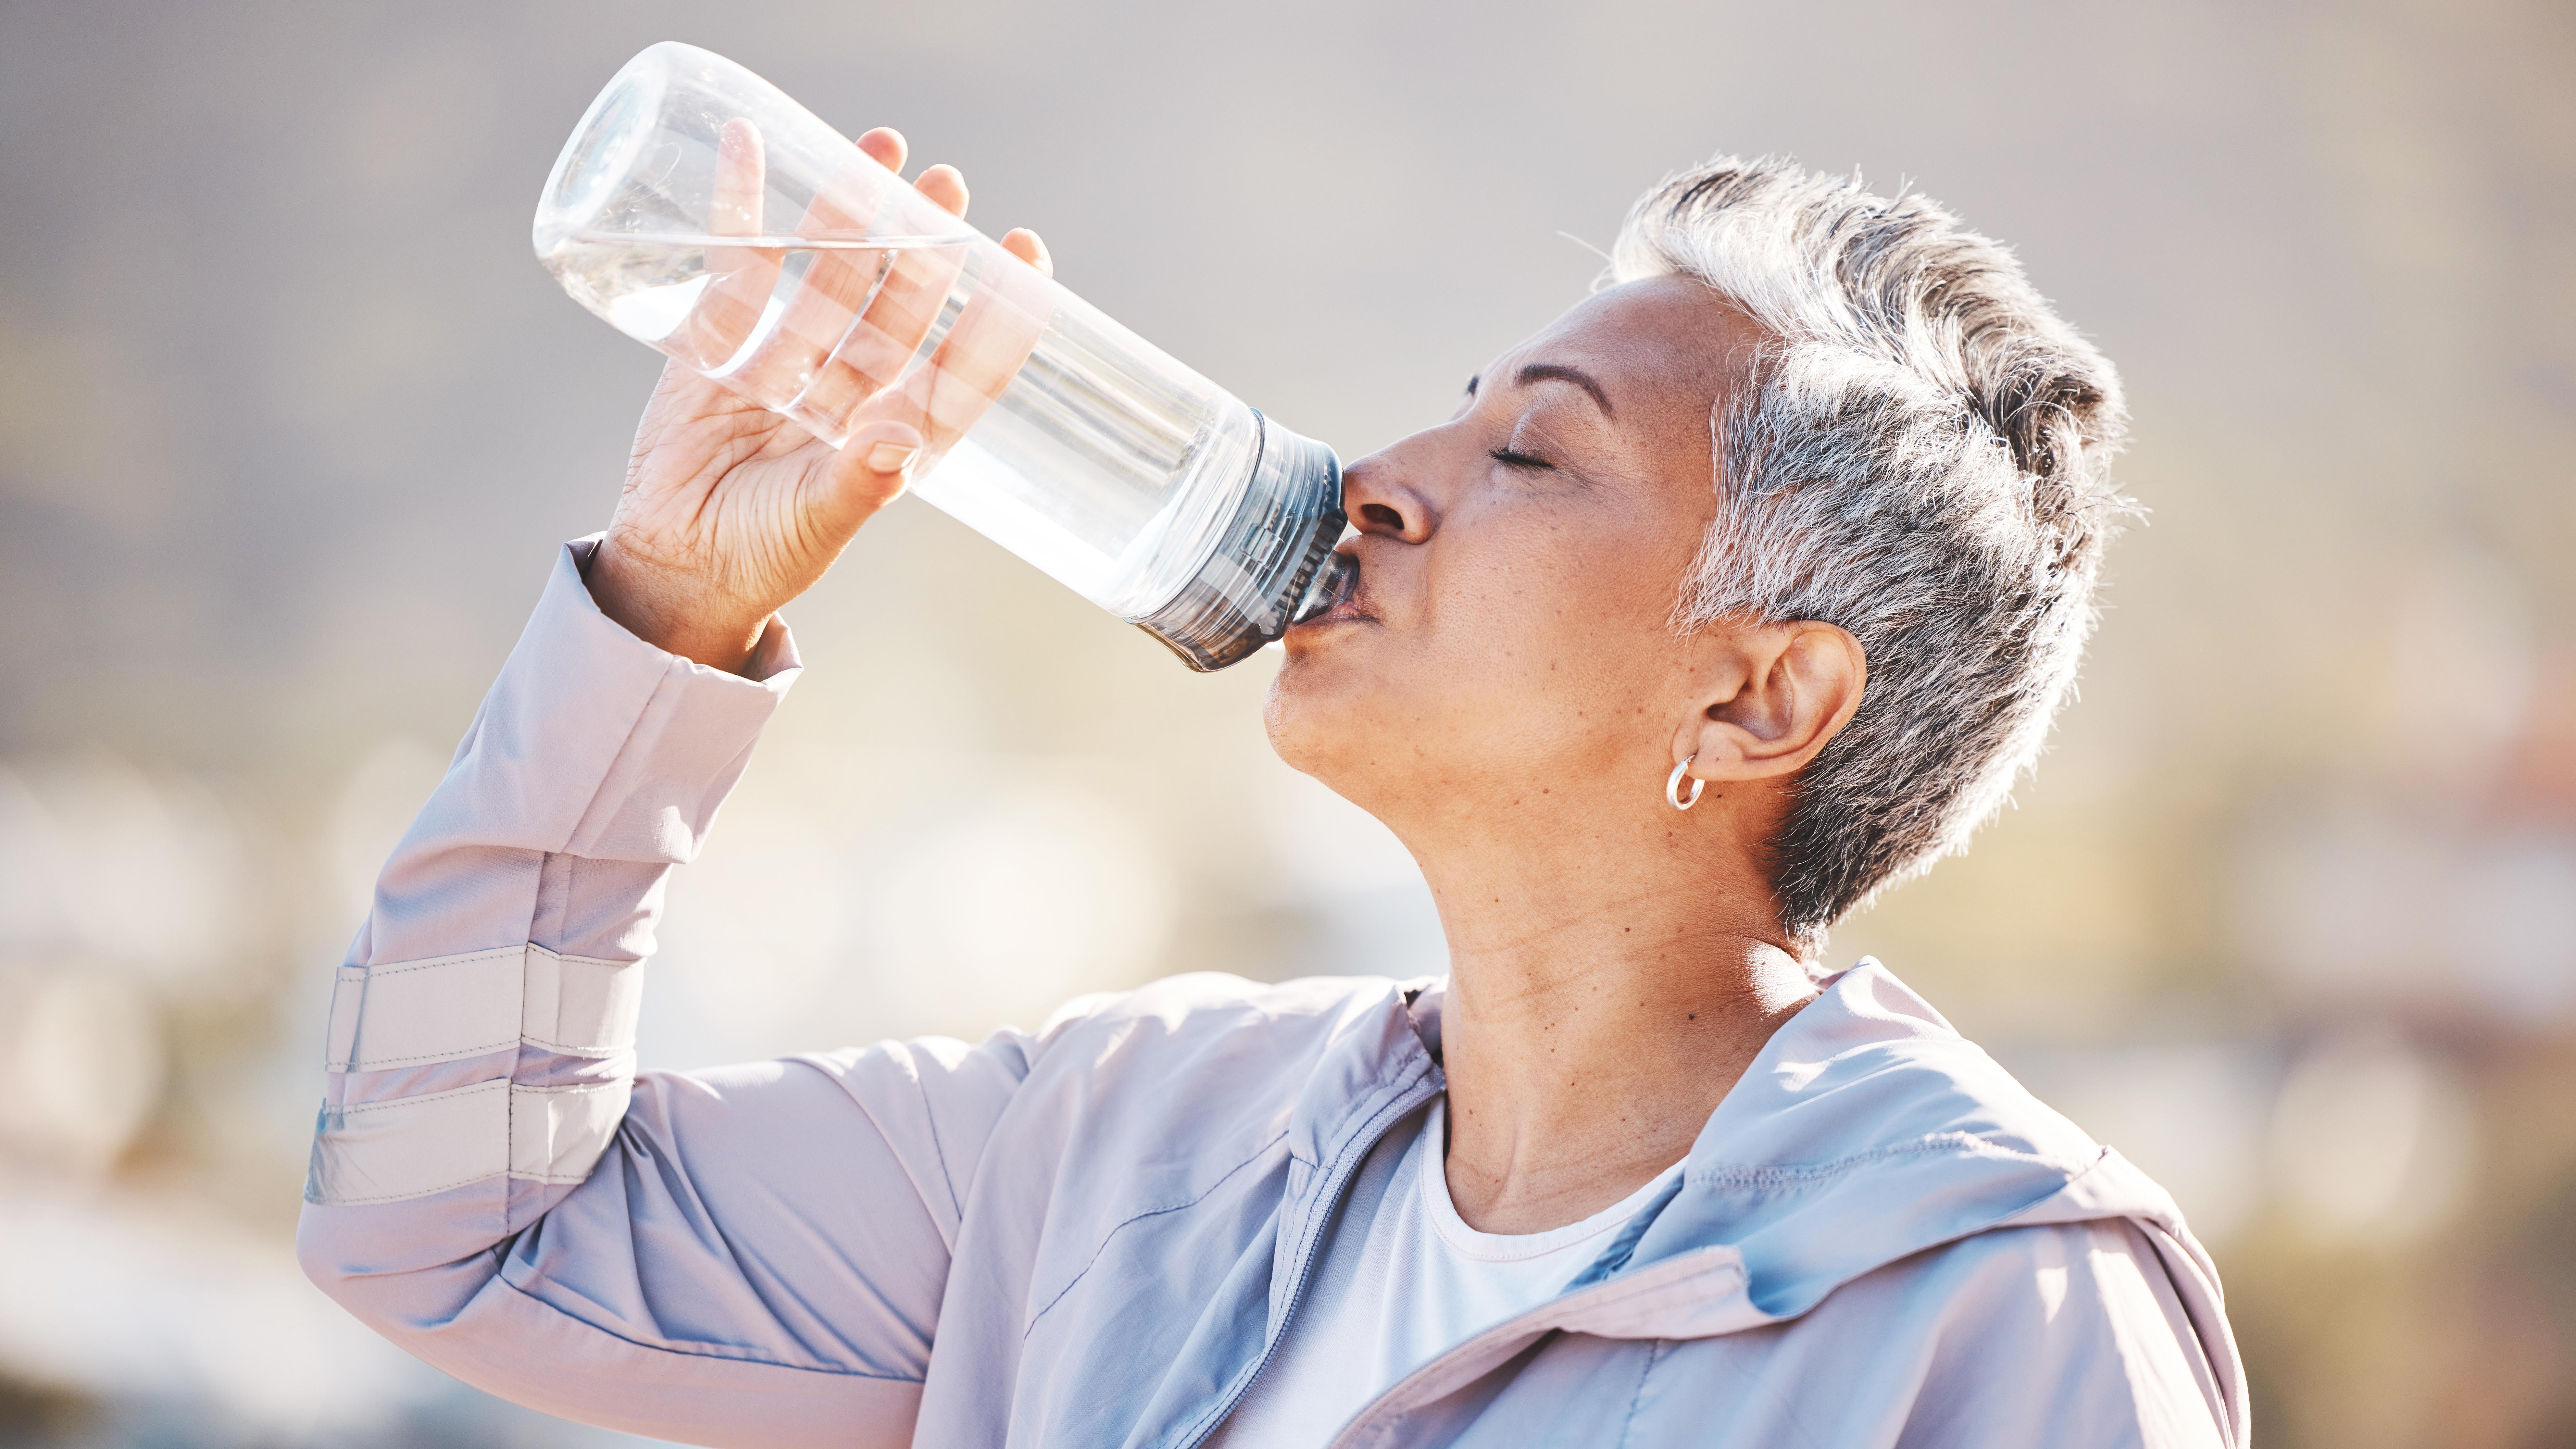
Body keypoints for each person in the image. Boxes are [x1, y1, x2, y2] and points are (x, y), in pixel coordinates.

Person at [297, 126, 2244, 1448]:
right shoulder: (1123, 1153)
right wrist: (667, 605)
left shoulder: (1996, 1316)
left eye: (1536, 458)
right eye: (1458, 409)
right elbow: (453, 1226)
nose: (1378, 473)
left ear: (1759, 702)